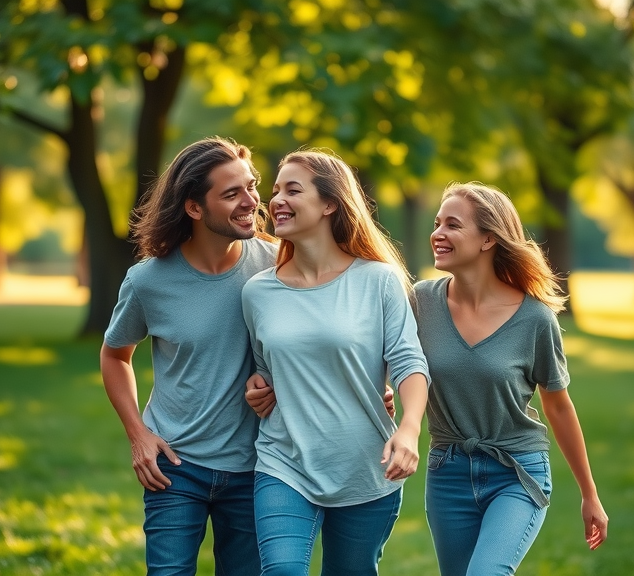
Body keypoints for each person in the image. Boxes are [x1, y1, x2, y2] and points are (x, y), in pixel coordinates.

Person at [240, 149, 429, 576]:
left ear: (329, 204)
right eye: (275, 190)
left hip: (366, 468)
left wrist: (409, 429)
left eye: (293, 190)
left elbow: (407, 361)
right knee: (282, 571)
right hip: (283, 462)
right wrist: (258, 385)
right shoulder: (257, 292)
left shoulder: (378, 280)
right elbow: (268, 367)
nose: (277, 200)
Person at [99, 137, 278, 576]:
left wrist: (373, 386)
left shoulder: (278, 267)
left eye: (251, 186)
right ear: (194, 208)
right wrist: (138, 435)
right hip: (175, 466)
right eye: (231, 193)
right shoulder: (148, 281)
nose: (251, 201)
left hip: (258, 465)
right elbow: (115, 355)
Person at [411, 182, 608, 576]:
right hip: (447, 472)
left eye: (453, 225)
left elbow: (559, 407)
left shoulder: (535, 319)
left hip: (516, 472)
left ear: (488, 239)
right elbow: (393, 363)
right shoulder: (420, 302)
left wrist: (590, 494)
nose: (438, 234)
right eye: (437, 223)